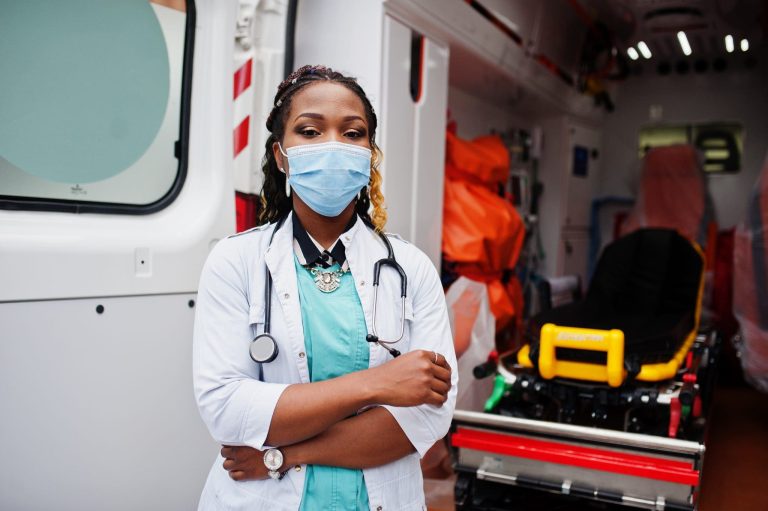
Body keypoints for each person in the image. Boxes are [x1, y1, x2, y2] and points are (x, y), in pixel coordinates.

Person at [193, 65, 457, 511]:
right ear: (281, 156)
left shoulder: (411, 268)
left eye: (352, 134)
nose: (333, 145)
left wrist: (284, 453)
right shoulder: (236, 262)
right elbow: (227, 410)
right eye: (310, 131)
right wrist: (377, 385)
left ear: (369, 152)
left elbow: (426, 417)